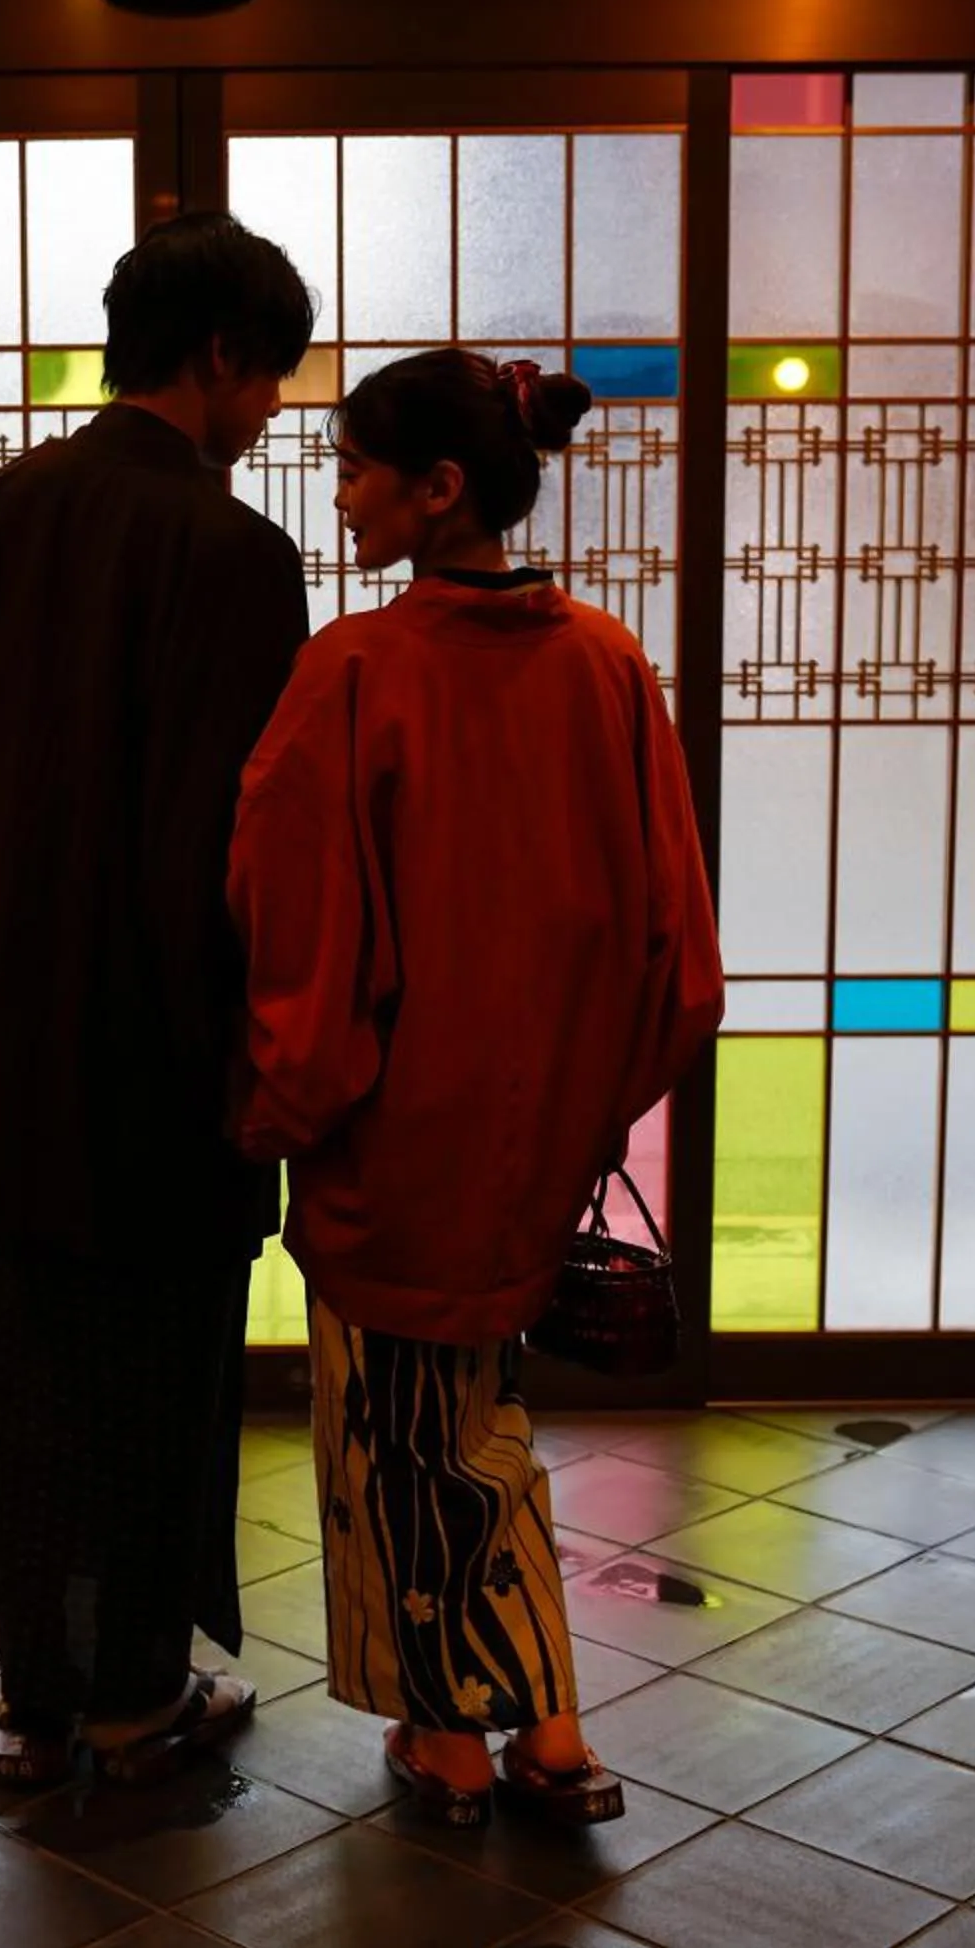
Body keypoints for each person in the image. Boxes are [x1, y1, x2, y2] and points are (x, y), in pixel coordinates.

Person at [0, 212, 316, 1787]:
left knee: (39, 1374)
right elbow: (255, 841)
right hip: (177, 1048)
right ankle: (134, 1696)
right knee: (162, 1372)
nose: (270, 412)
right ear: (221, 355)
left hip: (28, 1047)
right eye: (270, 379)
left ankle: (39, 1699)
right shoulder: (237, 557)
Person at [227, 348, 725, 1827]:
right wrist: (586, 1104)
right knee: (477, 1421)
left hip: (393, 1135)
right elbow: (678, 956)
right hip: (540, 1136)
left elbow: (300, 929)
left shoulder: (357, 671)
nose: (340, 498)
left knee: (403, 1442)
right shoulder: (608, 665)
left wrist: (281, 1109)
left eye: (357, 471)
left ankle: (466, 1737)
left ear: (440, 489)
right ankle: (546, 1729)